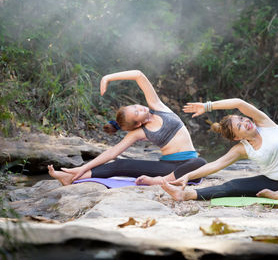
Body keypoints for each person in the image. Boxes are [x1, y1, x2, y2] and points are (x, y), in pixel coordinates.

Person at [48, 70, 206, 186]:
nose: (141, 108)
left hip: (189, 164)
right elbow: (112, 153)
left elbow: (138, 75)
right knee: (120, 165)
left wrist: (107, 77)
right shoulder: (139, 132)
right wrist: (82, 168)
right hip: (167, 166)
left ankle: (161, 181)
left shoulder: (158, 106)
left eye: (137, 106)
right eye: (137, 112)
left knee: (200, 162)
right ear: (137, 124)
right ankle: (72, 178)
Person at [161, 98, 278, 201]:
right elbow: (215, 165)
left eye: (241, 118)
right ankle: (185, 195)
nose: (245, 122)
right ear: (237, 137)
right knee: (231, 186)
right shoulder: (242, 149)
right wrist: (187, 176)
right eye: (240, 126)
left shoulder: (265, 123)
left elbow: (239, 103)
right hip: (271, 181)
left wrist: (207, 106)